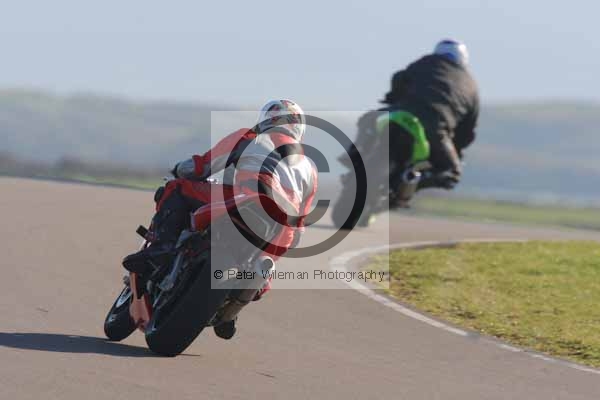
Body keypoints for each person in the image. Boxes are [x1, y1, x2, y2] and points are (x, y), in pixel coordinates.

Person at [122, 99, 317, 339]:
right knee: (263, 268)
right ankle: (232, 309)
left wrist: (178, 169)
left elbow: (200, 167)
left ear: (267, 119)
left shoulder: (249, 137)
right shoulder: (310, 169)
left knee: (177, 188)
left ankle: (159, 249)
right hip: (281, 227)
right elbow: (298, 230)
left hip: (248, 198)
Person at [351, 39, 479, 202]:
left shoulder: (427, 62)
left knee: (368, 119)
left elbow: (399, 77)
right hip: (435, 128)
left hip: (402, 111)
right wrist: (456, 148)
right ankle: (411, 183)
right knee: (452, 173)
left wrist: (392, 98)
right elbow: (468, 130)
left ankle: (354, 154)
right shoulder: (471, 86)